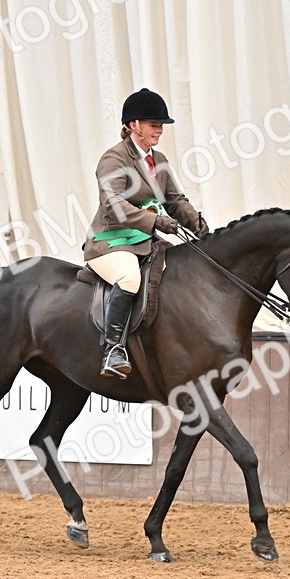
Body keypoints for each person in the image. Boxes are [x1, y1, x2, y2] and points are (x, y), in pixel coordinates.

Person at [82, 88, 209, 379]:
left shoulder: (158, 159)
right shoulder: (113, 159)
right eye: (153, 124)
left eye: (160, 125)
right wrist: (155, 223)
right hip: (111, 242)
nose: (159, 130)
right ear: (133, 125)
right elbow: (114, 205)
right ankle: (113, 350)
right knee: (129, 278)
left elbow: (175, 201)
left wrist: (199, 225)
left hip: (143, 241)